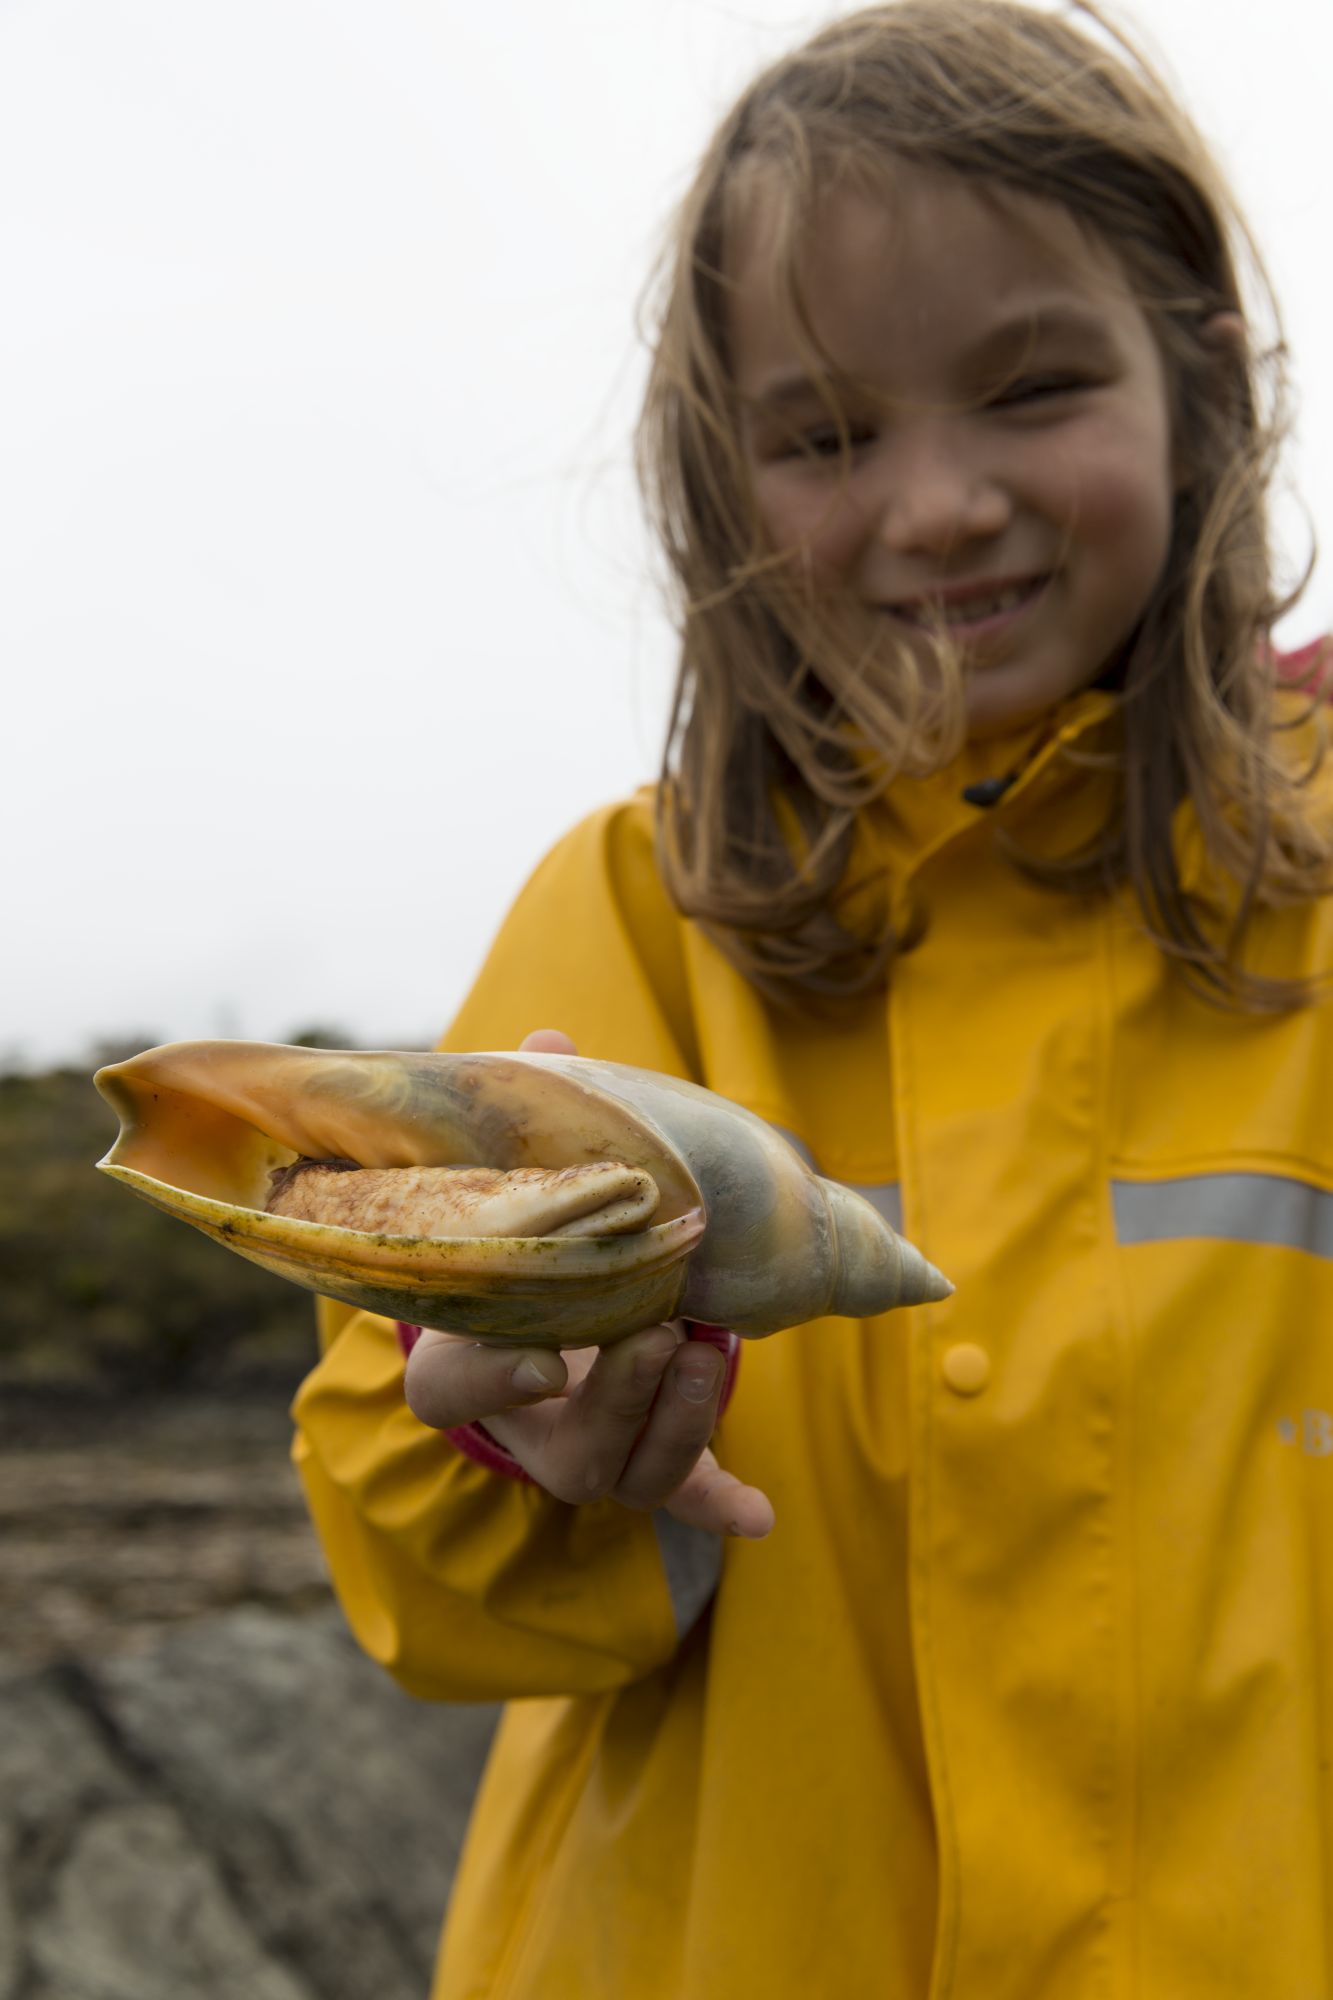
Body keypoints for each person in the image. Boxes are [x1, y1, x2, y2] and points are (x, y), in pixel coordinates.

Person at [290, 3, 1333, 1993]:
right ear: (725, 477)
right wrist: (516, 1449)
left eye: (1032, 389)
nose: (936, 507)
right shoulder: (629, 912)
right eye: (829, 436)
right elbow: (421, 1593)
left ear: (1199, 385)